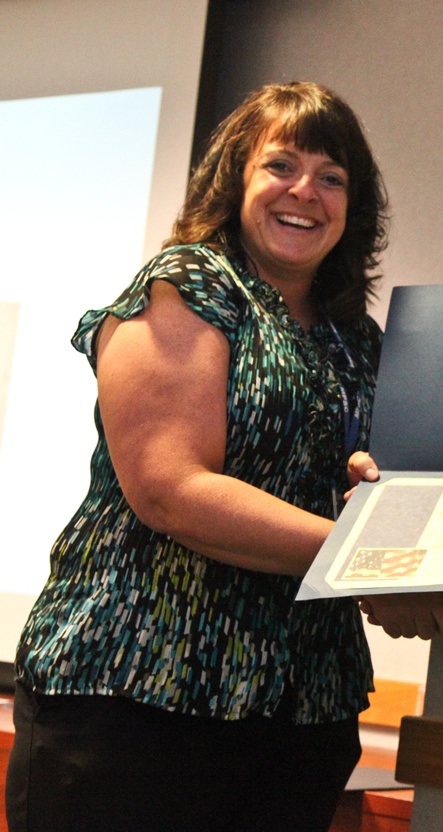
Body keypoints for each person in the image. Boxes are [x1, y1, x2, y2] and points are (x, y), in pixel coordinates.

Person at [6, 81, 388, 832]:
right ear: (234, 180)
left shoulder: (357, 339)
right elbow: (172, 492)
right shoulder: (186, 288)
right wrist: (374, 549)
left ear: (355, 205)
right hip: (139, 700)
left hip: (302, 706)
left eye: (332, 177)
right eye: (281, 166)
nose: (306, 192)